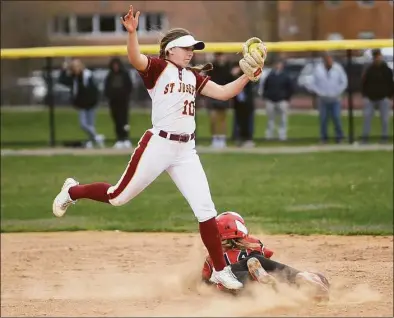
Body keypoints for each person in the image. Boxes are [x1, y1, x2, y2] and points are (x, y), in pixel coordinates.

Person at [52, 5, 267, 291]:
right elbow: (134, 57)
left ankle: (219, 270)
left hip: (186, 151)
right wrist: (132, 34)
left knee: (205, 210)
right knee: (117, 196)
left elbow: (225, 93)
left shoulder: (193, 77)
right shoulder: (158, 68)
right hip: (159, 144)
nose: (191, 52)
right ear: (170, 51)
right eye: (186, 48)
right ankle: (72, 190)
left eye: (193, 48)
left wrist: (247, 77)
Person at [202, 212, 330, 301]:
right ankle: (300, 276)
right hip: (260, 267)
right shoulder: (253, 244)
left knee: (229, 275)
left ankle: (254, 279)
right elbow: (267, 258)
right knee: (258, 260)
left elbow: (205, 280)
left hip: (236, 288)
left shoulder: (213, 255)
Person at [58, 58, 104, 148]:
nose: (76, 68)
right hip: (82, 105)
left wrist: (92, 100)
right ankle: (97, 138)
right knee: (84, 125)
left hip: (91, 104)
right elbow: (62, 80)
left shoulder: (87, 75)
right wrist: (64, 68)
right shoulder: (73, 77)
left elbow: (94, 90)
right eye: (74, 67)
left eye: (77, 66)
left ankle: (92, 141)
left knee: (90, 125)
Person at [305, 52, 348, 144]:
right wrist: (318, 92)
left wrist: (338, 92)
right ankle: (323, 138)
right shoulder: (318, 69)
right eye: (327, 59)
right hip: (323, 99)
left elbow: (344, 81)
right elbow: (312, 83)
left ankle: (339, 137)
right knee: (323, 119)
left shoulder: (338, 68)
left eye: (330, 59)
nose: (329, 61)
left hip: (335, 98)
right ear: (324, 60)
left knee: (336, 118)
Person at [361, 49, 394, 143]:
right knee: (367, 118)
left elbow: (391, 83)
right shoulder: (369, 69)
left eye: (379, 56)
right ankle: (365, 138)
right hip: (370, 98)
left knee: (385, 120)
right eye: (375, 57)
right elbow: (364, 83)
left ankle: (384, 138)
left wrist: (390, 96)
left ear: (381, 57)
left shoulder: (387, 70)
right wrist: (365, 95)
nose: (377, 58)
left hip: (384, 98)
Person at [104, 57, 133, 149]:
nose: (115, 67)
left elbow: (129, 87)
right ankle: (119, 139)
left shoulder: (125, 74)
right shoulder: (110, 75)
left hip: (123, 102)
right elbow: (106, 88)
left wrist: (124, 95)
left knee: (124, 121)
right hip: (113, 102)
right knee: (116, 120)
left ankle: (126, 138)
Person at [206, 53, 234, 149]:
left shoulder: (228, 66)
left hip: (223, 94)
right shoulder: (212, 67)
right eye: (218, 56)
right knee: (213, 118)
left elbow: (230, 79)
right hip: (213, 94)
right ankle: (214, 139)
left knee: (222, 119)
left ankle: (222, 140)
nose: (220, 58)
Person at [262, 59, 294, 141]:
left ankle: (282, 135)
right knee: (270, 119)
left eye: (279, 64)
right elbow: (265, 87)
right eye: (276, 64)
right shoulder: (270, 76)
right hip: (271, 100)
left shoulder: (286, 76)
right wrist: (266, 96)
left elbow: (290, 88)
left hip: (282, 100)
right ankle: (269, 135)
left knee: (283, 119)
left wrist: (287, 98)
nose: (278, 66)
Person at [231, 65, 256, 147]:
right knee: (239, 122)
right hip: (238, 104)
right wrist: (233, 75)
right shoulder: (234, 79)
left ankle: (248, 139)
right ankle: (240, 138)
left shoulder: (248, 78)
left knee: (248, 122)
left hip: (247, 104)